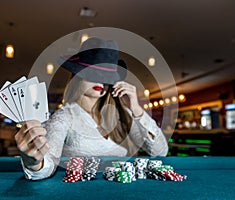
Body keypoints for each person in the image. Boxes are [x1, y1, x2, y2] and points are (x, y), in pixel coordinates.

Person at [15, 37, 168, 180]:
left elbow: (160, 152)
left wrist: (136, 109)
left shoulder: (122, 114)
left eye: (105, 76)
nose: (99, 80)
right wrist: (34, 163)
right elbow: (48, 163)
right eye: (92, 73)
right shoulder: (65, 116)